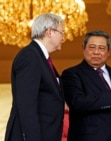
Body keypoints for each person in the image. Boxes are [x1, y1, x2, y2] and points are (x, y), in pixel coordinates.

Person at [61, 30, 111, 141]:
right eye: (92, 47)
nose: (96, 52)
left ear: (108, 51)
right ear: (83, 49)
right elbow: (77, 103)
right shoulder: (72, 74)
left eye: (102, 48)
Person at [4, 13, 65, 141]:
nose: (63, 38)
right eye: (62, 33)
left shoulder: (40, 57)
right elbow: (27, 105)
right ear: (49, 32)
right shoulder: (30, 57)